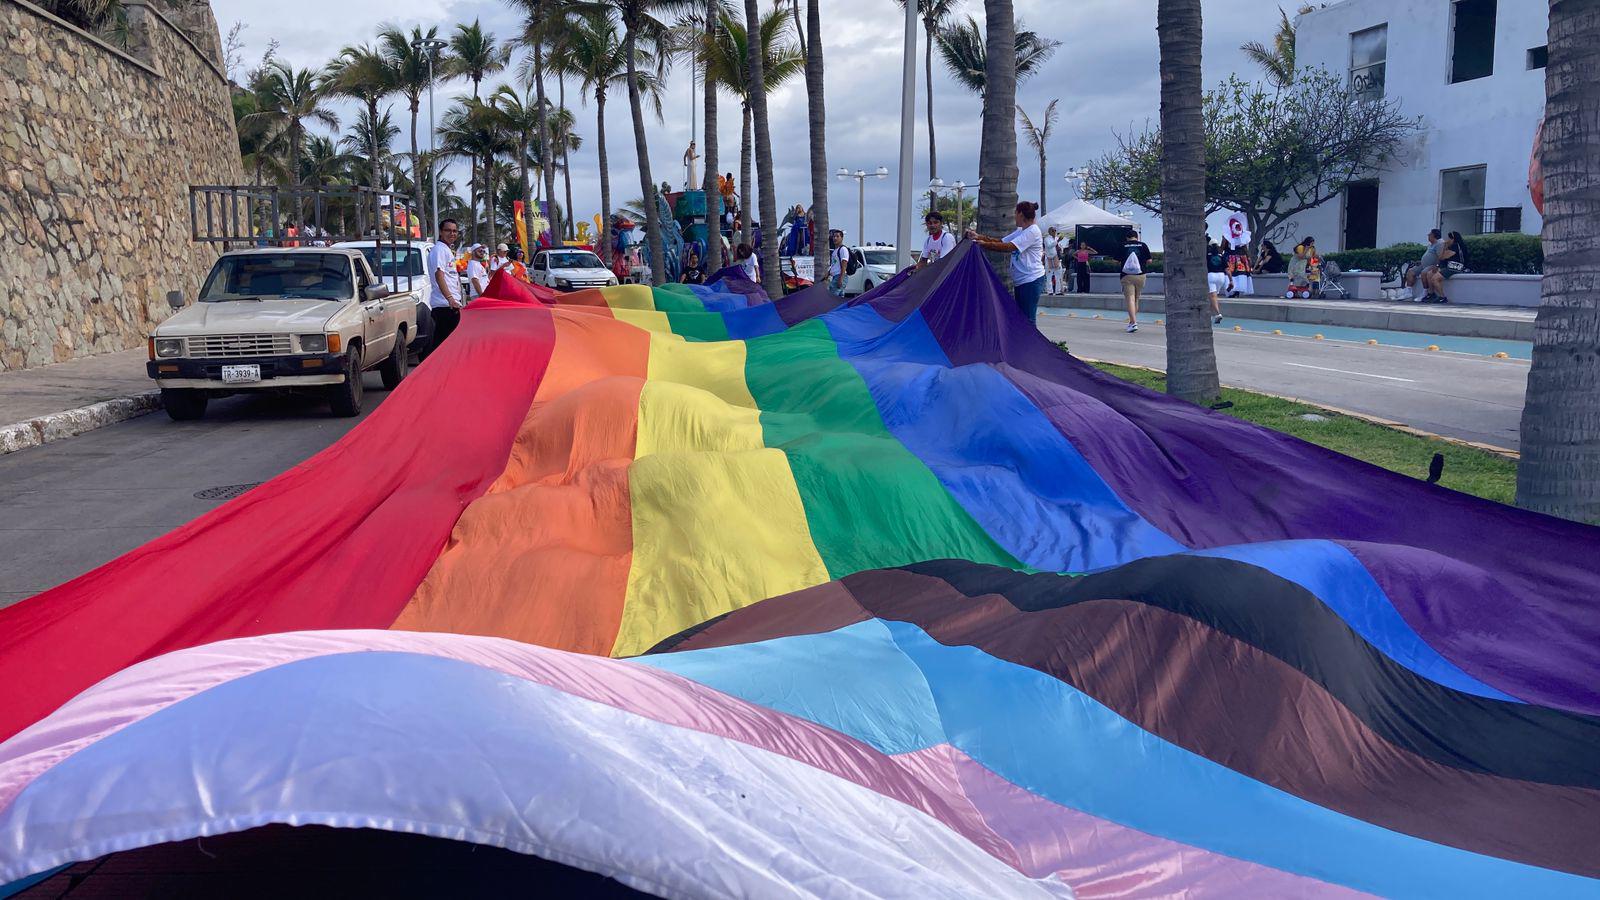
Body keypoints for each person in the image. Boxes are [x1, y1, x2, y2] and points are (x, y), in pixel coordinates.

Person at [967, 201, 1047, 324]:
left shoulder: (1032, 231)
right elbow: (1001, 241)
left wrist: (985, 245)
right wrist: (978, 237)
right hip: (1022, 280)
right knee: (1022, 318)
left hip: (1031, 280)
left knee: (1028, 319)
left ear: (1021, 214)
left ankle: (1031, 343)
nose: (1014, 216)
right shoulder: (1021, 231)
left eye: (1015, 213)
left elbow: (1009, 247)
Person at [426, 218, 464, 354]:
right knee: (442, 349)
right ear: (441, 232)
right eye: (448, 230)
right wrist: (450, 298)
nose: (452, 233)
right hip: (444, 306)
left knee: (446, 348)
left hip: (450, 305)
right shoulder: (439, 250)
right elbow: (439, 274)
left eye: (455, 231)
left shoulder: (446, 250)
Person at [1117, 229, 1153, 332]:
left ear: (1127, 237)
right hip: (1141, 275)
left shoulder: (1123, 245)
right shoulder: (1143, 245)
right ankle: (1132, 322)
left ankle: (1133, 323)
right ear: (1136, 237)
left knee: (1130, 299)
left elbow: (1115, 260)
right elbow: (1149, 260)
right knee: (1136, 299)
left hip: (1127, 276)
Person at [1424, 231, 1468, 303]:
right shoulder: (1453, 246)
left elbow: (1442, 257)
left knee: (1435, 279)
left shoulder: (1455, 246)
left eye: (1449, 238)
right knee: (1429, 274)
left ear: (1453, 239)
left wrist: (1444, 247)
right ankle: (1431, 294)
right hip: (1449, 266)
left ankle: (1442, 297)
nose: (1447, 240)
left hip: (1455, 268)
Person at [1408, 229, 1442, 298]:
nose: (1428, 236)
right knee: (1410, 271)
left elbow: (1440, 256)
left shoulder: (1439, 243)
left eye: (1429, 235)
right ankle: (1408, 292)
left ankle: (1426, 293)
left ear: (1434, 235)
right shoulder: (1430, 245)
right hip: (1423, 265)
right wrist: (1420, 262)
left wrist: (1437, 265)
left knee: (1424, 273)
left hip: (1432, 265)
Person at [1206, 240, 1228, 323]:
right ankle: (1210, 316)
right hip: (1221, 277)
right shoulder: (1221, 256)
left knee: (1212, 296)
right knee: (1213, 297)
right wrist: (1231, 280)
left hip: (1211, 276)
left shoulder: (1208, 256)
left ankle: (1218, 313)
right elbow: (1227, 269)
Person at [828, 230, 848, 296]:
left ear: (842, 238)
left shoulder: (843, 249)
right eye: (834, 236)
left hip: (839, 276)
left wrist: (840, 279)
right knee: (839, 299)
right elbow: (834, 264)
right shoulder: (835, 251)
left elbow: (844, 265)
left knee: (832, 298)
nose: (835, 238)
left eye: (837, 236)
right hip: (835, 277)